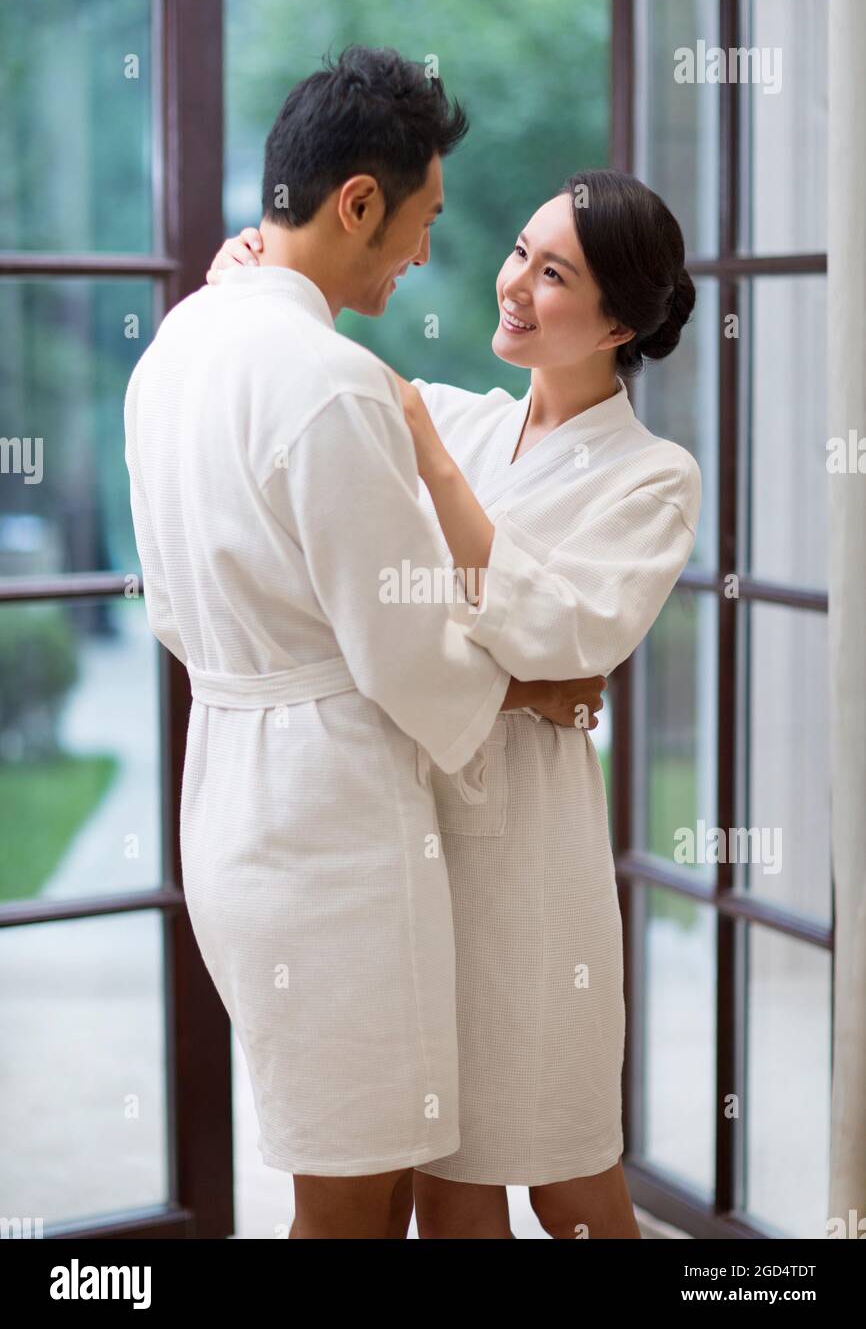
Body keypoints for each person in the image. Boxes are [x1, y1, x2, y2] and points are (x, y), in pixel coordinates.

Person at [124, 45, 600, 1242]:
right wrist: (533, 682)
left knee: (352, 1170)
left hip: (230, 788)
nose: (430, 254)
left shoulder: (175, 347)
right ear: (357, 202)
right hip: (331, 833)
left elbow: (175, 613)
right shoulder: (328, 382)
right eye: (424, 218)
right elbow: (407, 651)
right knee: (349, 1199)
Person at [209, 166, 701, 1239]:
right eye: (519, 251)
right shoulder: (463, 422)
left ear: (618, 319)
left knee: (569, 1173)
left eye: (554, 271)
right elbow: (493, 636)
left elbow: (567, 633)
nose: (514, 282)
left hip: (528, 873)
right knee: (448, 1179)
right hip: (408, 849)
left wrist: (440, 484)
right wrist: (249, 275)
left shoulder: (652, 476)